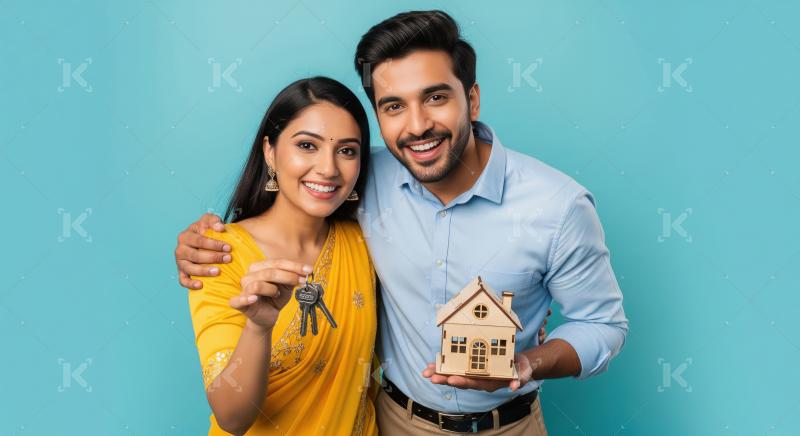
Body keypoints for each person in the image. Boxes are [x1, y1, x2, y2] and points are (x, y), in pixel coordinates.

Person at [176, 10, 628, 435]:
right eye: (393, 106)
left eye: (435, 97)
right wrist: (198, 241)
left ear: (471, 99)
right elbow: (301, 196)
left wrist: (529, 362)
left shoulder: (557, 206)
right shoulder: (358, 180)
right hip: (393, 421)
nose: (417, 126)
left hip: (510, 424)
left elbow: (603, 326)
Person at [186, 76, 378, 435]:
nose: (328, 168)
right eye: (308, 145)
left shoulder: (367, 241)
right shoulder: (220, 254)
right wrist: (259, 327)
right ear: (270, 151)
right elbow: (232, 417)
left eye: (347, 151)